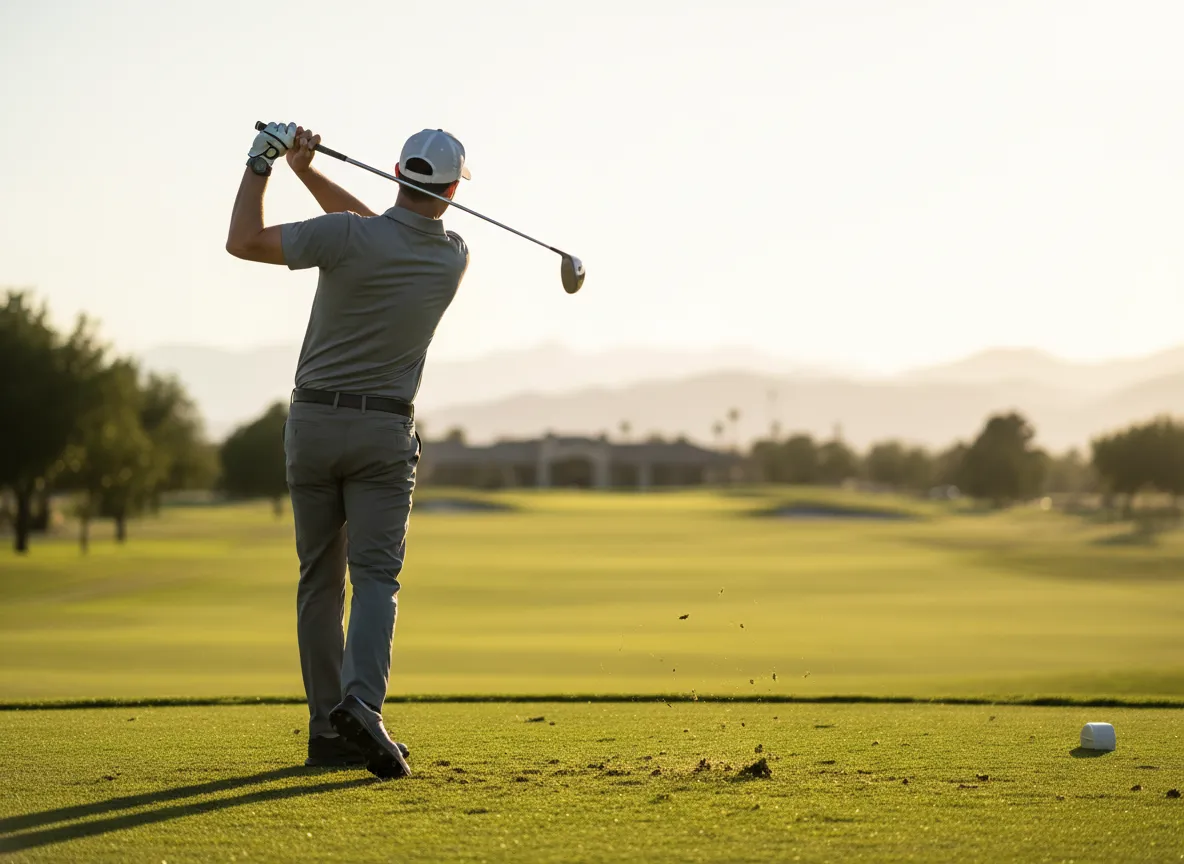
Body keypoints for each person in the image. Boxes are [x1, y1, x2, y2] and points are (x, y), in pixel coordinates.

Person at [225, 121, 471, 778]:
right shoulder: (452, 256)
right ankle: (362, 704)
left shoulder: (346, 238)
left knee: (318, 582)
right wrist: (308, 170)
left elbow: (243, 241)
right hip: (382, 436)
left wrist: (267, 164)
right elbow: (383, 229)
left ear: (397, 173)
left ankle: (325, 729)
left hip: (310, 426)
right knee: (376, 580)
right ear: (450, 191)